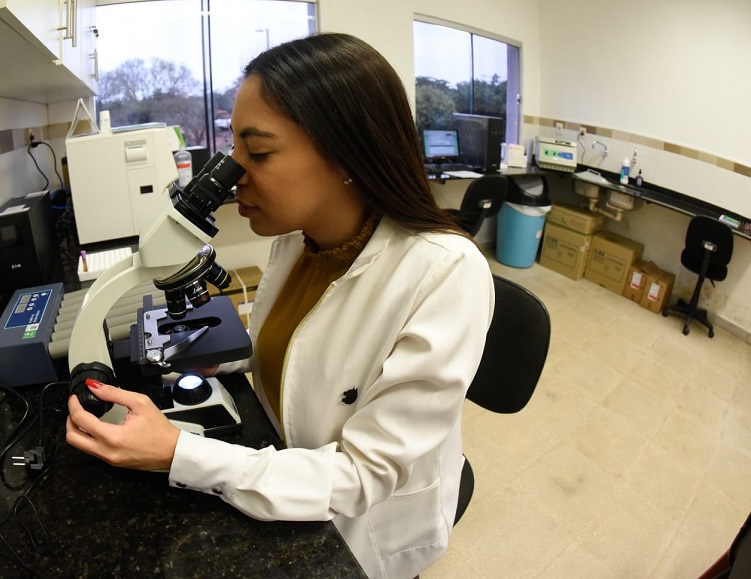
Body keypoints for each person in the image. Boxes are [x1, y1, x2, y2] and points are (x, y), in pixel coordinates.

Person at [66, 32, 494, 579]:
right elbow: (303, 349)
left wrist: (179, 454)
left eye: (259, 152)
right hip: (278, 458)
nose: (232, 175)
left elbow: (360, 477)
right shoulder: (296, 238)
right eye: (234, 151)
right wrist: (221, 359)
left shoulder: (445, 274)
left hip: (359, 528)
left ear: (347, 154)